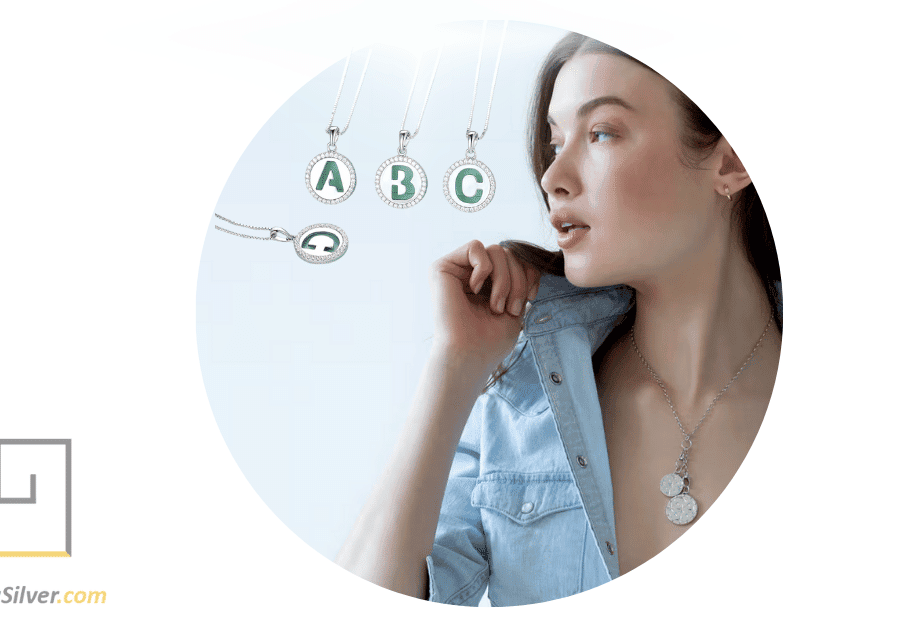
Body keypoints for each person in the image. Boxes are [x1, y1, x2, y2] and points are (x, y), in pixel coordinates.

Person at [335, 32, 782, 606]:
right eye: (554, 140)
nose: (552, 176)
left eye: (601, 133)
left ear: (730, 161)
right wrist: (454, 369)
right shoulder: (517, 398)